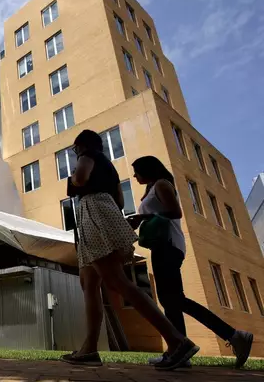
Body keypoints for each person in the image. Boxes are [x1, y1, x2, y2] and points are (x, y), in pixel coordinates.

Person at [60, 130, 199, 371]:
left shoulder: (87, 156)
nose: (76, 153)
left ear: (81, 145)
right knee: (88, 282)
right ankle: (89, 348)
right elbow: (120, 203)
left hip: (94, 215)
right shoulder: (109, 167)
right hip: (101, 213)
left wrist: (71, 181)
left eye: (75, 149)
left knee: (116, 281)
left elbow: (80, 180)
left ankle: (177, 341)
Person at [128, 156, 254, 369]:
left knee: (175, 299)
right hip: (162, 247)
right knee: (171, 301)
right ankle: (178, 351)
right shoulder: (153, 187)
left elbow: (176, 212)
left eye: (137, 171)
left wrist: (142, 218)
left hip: (168, 245)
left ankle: (233, 335)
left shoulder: (161, 184)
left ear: (148, 170)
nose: (134, 175)